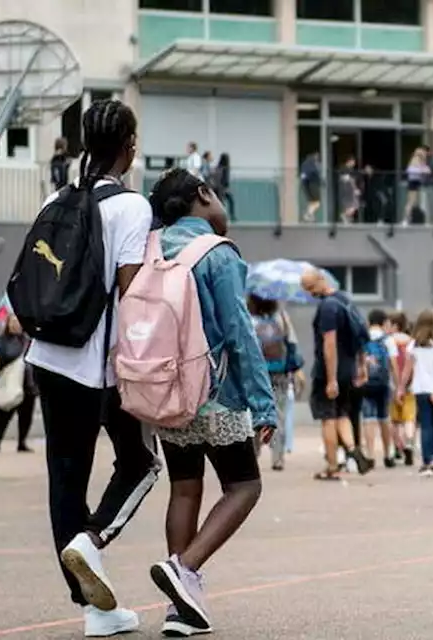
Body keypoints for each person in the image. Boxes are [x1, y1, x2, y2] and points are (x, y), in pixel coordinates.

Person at [24, 100, 160, 636]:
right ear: (127, 144)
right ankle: (93, 539)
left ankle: (94, 610)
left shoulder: (56, 197)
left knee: (64, 475)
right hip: (96, 365)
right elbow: (132, 293)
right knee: (141, 464)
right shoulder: (132, 207)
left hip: (47, 356)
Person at [145, 168, 278, 637]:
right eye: (216, 195)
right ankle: (186, 569)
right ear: (203, 195)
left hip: (164, 390)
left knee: (184, 488)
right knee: (244, 486)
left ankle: (180, 609)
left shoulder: (150, 249)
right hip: (216, 394)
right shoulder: (217, 253)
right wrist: (264, 404)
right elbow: (239, 332)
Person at [300, 267, 375, 480]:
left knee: (327, 417)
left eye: (309, 288)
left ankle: (332, 465)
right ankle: (354, 450)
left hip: (330, 372)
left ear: (317, 283)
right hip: (348, 368)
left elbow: (329, 344)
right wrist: (361, 366)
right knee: (342, 413)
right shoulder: (345, 300)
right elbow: (360, 334)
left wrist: (330, 379)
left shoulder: (327, 308)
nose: (309, 293)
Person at [248, 294, 304, 472]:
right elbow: (292, 344)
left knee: (254, 413)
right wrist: (296, 371)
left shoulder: (248, 318)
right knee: (279, 414)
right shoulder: (282, 317)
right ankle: (278, 458)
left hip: (255, 374)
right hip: (279, 373)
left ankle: (253, 455)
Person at [404, 310, 433, 476]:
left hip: (421, 388)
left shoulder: (414, 344)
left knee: (426, 423)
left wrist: (402, 387)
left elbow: (407, 370)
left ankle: (427, 459)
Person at [0, 314, 37, 454]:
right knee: (5, 413)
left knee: (26, 415)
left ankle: (22, 442)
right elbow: (3, 357)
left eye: (18, 323)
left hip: (28, 383)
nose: (16, 325)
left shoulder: (28, 340)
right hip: (11, 382)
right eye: (13, 322)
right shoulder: (1, 341)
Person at [361, 309, 399, 467]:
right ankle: (387, 453)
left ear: (369, 322)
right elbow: (394, 365)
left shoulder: (362, 338)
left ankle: (370, 455)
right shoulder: (388, 340)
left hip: (366, 383)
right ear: (384, 323)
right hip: (383, 384)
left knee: (368, 419)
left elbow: (359, 359)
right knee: (384, 418)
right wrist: (398, 386)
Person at [386, 311, 416, 466]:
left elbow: (392, 364)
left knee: (394, 420)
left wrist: (398, 386)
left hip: (393, 384)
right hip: (411, 385)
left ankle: (398, 447)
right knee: (409, 418)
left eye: (389, 325)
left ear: (395, 325)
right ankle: (410, 443)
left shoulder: (390, 341)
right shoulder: (412, 341)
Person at [404, 148, 430, 224]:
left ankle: (424, 220)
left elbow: (427, 171)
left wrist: (422, 169)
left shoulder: (422, 164)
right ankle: (406, 219)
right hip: (413, 184)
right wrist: (421, 170)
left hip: (420, 184)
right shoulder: (413, 163)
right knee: (411, 202)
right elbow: (411, 172)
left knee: (422, 202)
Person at [208, 152, 234, 220]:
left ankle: (221, 216)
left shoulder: (218, 168)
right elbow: (225, 180)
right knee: (229, 201)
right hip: (223, 188)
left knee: (221, 203)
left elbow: (214, 178)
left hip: (217, 188)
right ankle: (231, 216)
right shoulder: (225, 168)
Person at [300, 151, 322, 220]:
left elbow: (304, 175)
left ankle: (310, 214)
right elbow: (313, 173)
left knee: (312, 202)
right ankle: (308, 214)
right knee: (317, 202)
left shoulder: (305, 164)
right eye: (316, 156)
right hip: (313, 184)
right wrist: (320, 180)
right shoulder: (312, 164)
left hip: (307, 184)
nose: (317, 157)